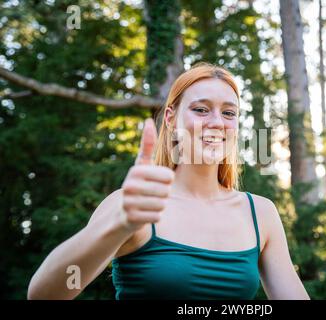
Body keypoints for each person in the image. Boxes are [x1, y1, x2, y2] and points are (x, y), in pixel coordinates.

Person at [27, 63, 310, 300]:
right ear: (171, 119)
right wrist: (120, 224)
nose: (216, 122)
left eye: (228, 112)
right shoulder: (133, 205)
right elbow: (44, 295)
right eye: (200, 109)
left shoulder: (260, 214)